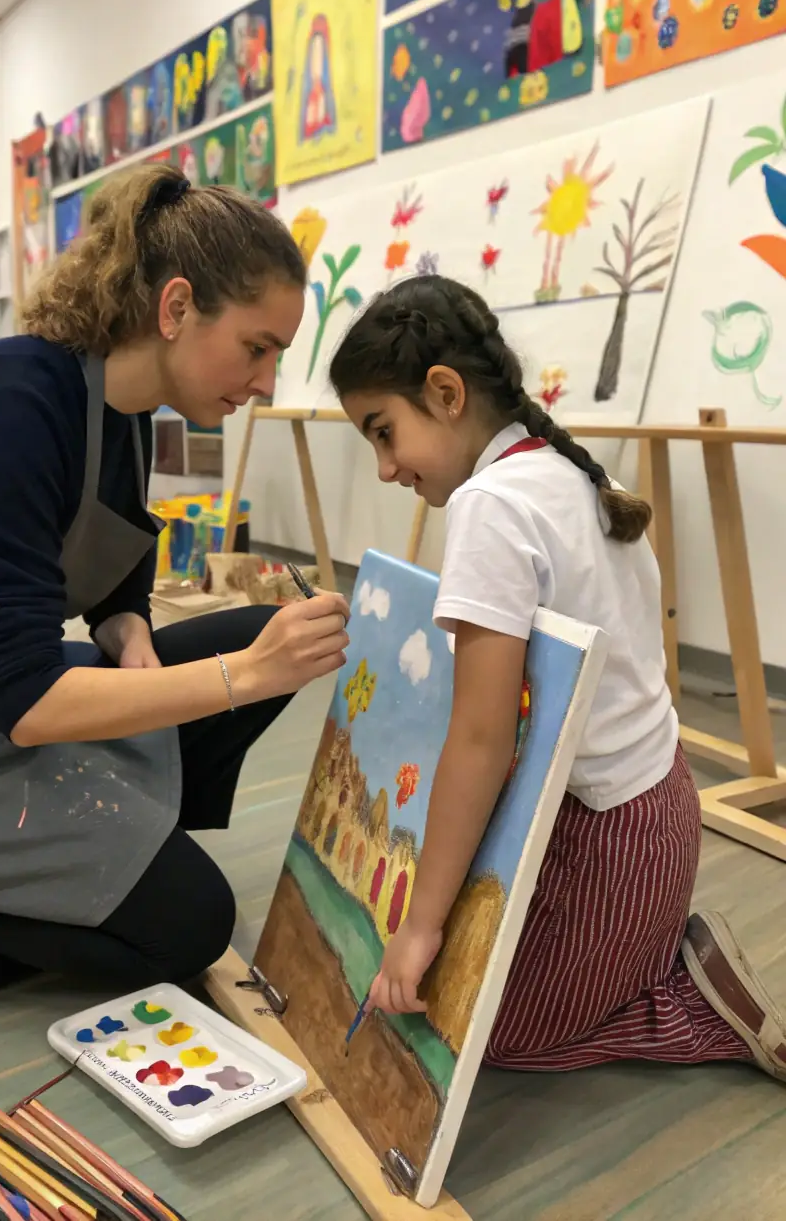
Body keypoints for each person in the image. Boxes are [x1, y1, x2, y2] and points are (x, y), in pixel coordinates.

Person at [0, 165, 350, 1000]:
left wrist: (131, 633)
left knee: (244, 637)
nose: (265, 382)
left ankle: (87, 859)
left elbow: (112, 582)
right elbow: (31, 702)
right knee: (190, 926)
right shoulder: (10, 404)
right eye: (257, 348)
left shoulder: (124, 412)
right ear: (176, 307)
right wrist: (248, 675)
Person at [328, 273, 786, 1082]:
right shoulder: (562, 468)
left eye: (383, 431)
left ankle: (688, 999)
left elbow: (481, 737)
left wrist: (422, 926)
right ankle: (637, 955)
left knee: (492, 1033)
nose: (385, 468)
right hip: (650, 808)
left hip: (616, 835)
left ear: (444, 393)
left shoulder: (491, 507)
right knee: (469, 977)